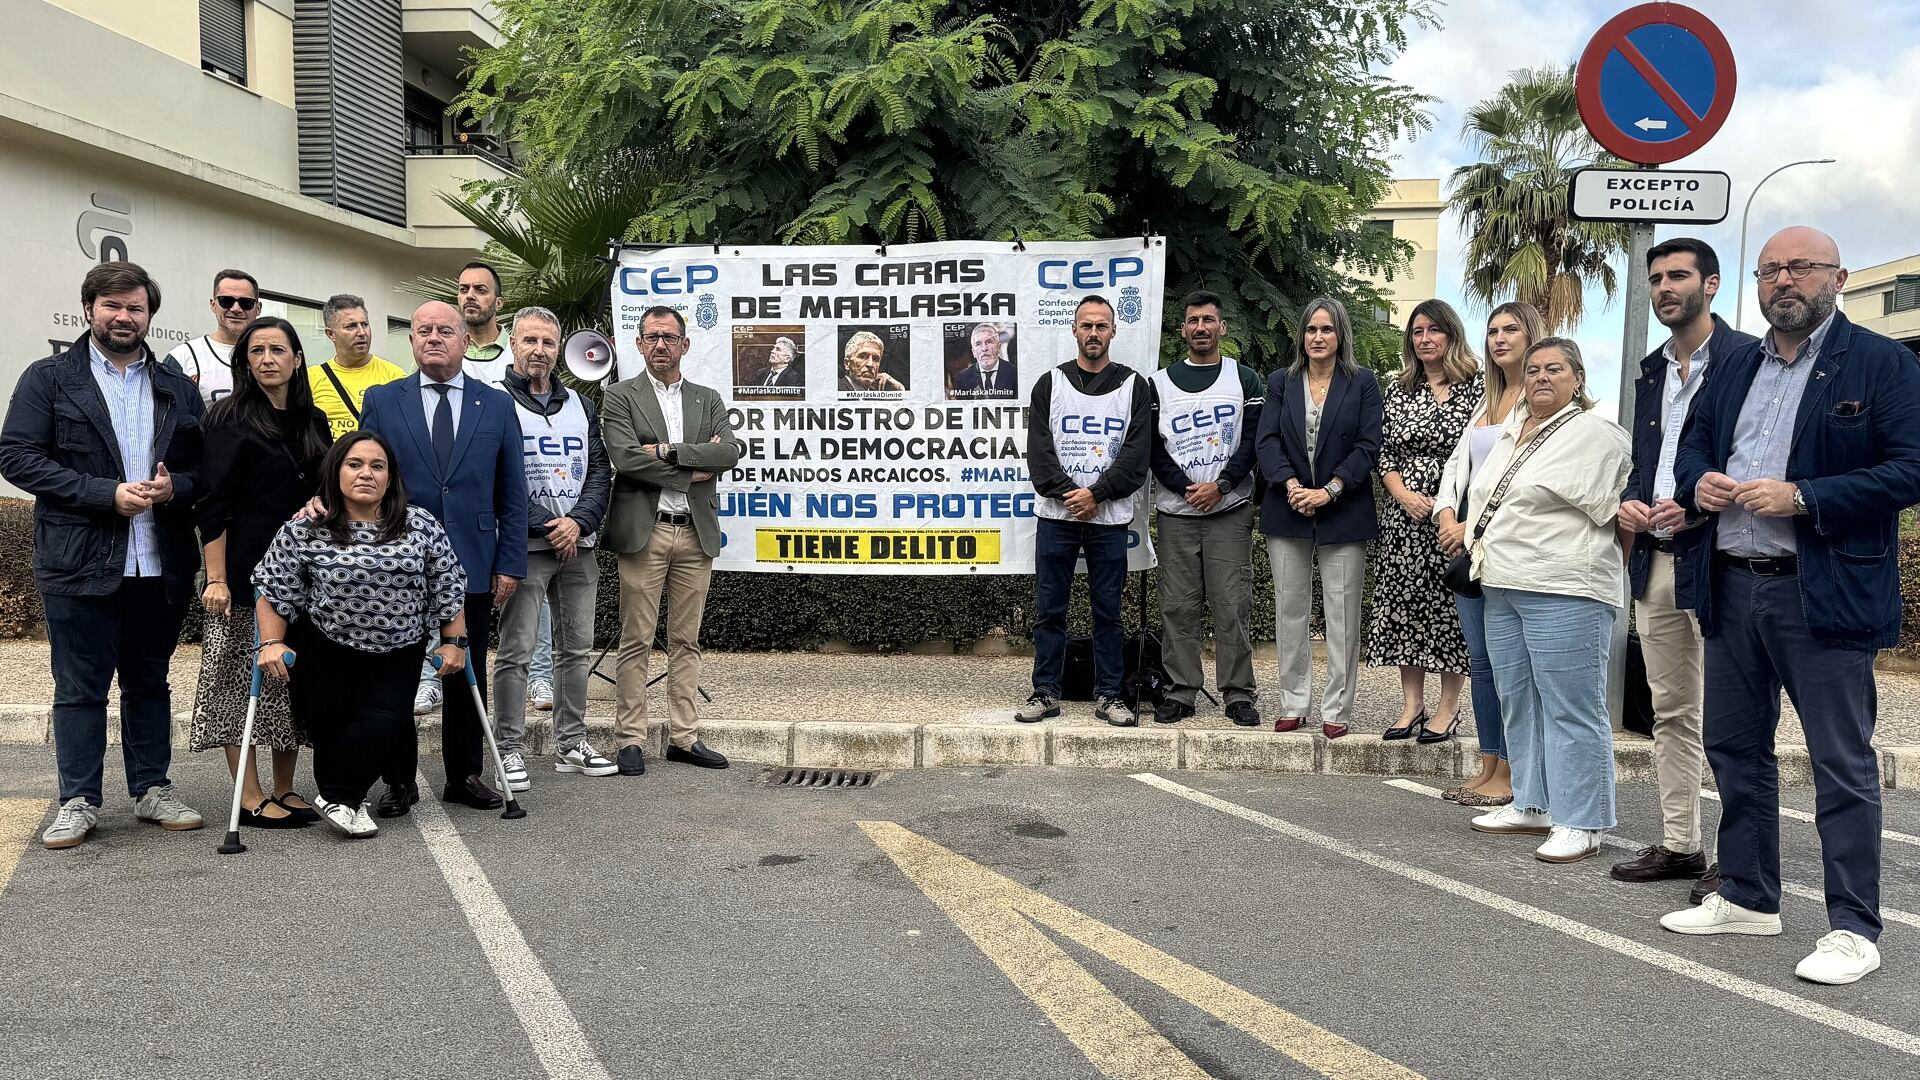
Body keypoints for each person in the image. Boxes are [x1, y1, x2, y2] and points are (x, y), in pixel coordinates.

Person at [1660, 227, 1920, 986]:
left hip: (1824, 589)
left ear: (1837, 277)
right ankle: (1746, 894)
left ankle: (1853, 928)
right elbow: (1694, 449)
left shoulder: (1883, 362)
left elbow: (1908, 470)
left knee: (1840, 762)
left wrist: (1804, 497)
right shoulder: (1736, 361)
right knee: (1735, 749)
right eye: (1771, 269)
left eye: (1800, 267)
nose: (1784, 280)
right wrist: (1700, 482)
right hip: (1732, 580)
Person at [0, 262, 206, 849]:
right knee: (80, 686)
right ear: (89, 309)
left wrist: (176, 489)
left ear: (149, 316)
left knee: (149, 680)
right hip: (78, 560)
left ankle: (152, 789)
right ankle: (78, 801)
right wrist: (102, 494)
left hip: (158, 561)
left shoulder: (174, 387)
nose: (124, 317)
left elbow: (201, 470)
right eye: (112, 306)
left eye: (135, 308)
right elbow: (16, 456)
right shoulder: (49, 379)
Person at [1611, 238, 1755, 898]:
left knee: (1733, 715)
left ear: (1712, 284)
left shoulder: (1749, 361)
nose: (1666, 287)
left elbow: (1761, 458)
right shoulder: (1650, 370)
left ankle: (1741, 856)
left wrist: (1699, 508)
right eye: (1657, 278)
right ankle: (1679, 844)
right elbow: (1648, 458)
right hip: (1657, 560)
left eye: (1678, 276)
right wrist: (1628, 505)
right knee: (1670, 712)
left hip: (1723, 556)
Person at [252, 432, 470, 838]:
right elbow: (274, 587)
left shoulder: (419, 524)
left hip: (400, 647)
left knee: (385, 719)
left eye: (377, 466)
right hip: (325, 645)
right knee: (331, 731)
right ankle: (345, 800)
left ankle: (341, 796)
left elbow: (448, 585)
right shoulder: (307, 527)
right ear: (336, 472)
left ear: (391, 477)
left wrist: (454, 642)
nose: (366, 474)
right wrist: (271, 642)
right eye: (354, 464)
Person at [357, 300, 527, 815]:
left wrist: (509, 562)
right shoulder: (383, 400)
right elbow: (366, 482)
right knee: (397, 677)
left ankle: (465, 775)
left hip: (473, 558)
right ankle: (398, 780)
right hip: (397, 561)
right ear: (411, 341)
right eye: (424, 330)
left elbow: (512, 492)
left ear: (465, 340)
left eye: (446, 330)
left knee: (465, 670)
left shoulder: (495, 405)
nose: (434, 337)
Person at [1465, 339, 1631, 865]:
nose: (1540, 376)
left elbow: (1609, 510)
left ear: (1577, 378)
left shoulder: (1596, 432)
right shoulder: (1513, 430)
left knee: (1571, 705)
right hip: (1503, 580)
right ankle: (1532, 801)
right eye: (1533, 368)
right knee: (1518, 696)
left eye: (1554, 369)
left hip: (1563, 584)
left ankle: (1583, 820)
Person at [188, 317, 333, 829]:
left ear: (297, 357)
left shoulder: (314, 421)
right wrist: (217, 578)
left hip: (305, 575)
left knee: (288, 680)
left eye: (278, 349)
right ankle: (249, 797)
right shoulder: (229, 418)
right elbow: (214, 504)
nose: (267, 358)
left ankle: (286, 788)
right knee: (235, 682)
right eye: (256, 351)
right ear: (244, 362)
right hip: (245, 573)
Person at [601, 306, 743, 774]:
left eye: (669, 337)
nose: (660, 344)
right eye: (651, 336)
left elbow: (730, 453)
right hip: (647, 531)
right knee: (636, 639)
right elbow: (625, 459)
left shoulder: (707, 398)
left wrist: (666, 451)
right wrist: (690, 474)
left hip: (695, 534)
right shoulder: (620, 396)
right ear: (639, 344)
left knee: (687, 640)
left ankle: (684, 737)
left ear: (685, 344)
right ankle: (630, 739)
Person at [492, 307, 617, 790]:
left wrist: (579, 521)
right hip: (524, 546)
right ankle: (509, 748)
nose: (538, 351)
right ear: (513, 342)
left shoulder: (582, 406)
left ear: (558, 347)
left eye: (547, 342)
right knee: (517, 651)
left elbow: (600, 471)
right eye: (530, 341)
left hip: (578, 547)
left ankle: (571, 743)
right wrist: (549, 524)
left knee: (575, 650)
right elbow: (498, 480)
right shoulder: (495, 402)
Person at [1018, 296, 1150, 727]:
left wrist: (1097, 494)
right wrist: (1072, 494)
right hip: (1056, 516)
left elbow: (1136, 457)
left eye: (1102, 326)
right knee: (1049, 609)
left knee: (1108, 611)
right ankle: (1045, 692)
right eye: (1086, 326)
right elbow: (1039, 454)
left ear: (1114, 332)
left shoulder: (1135, 386)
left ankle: (1110, 693)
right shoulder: (1049, 384)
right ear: (1074, 330)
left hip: (1109, 519)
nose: (1094, 333)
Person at [1434, 301, 1545, 806]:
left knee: (1511, 665)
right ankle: (1490, 763)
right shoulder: (1484, 403)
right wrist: (1447, 519)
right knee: (1481, 662)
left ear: (1532, 337)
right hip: (1469, 550)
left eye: (1512, 330)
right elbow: (1455, 473)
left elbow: (1525, 484)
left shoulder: (1543, 400)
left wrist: (1473, 530)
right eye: (1493, 331)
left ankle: (1516, 772)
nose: (1500, 339)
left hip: (1509, 550)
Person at [1254, 297, 1382, 738]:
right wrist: (1292, 486)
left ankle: (1337, 710)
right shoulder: (1280, 382)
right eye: (1311, 329)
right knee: (1290, 611)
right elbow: (1266, 441)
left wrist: (1329, 491)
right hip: (1287, 508)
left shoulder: (1362, 382)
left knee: (1342, 613)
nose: (1318, 337)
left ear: (1340, 334)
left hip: (1343, 510)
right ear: (1301, 336)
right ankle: (1294, 702)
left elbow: (1368, 446)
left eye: (1327, 329)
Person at [1148, 292, 1263, 726]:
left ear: (1222, 328)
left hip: (1229, 509)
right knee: (1178, 605)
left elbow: (1253, 440)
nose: (1201, 327)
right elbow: (1153, 449)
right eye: (1193, 320)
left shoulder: (1244, 379)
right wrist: (1186, 487)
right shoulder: (1158, 383)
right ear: (1182, 329)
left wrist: (1222, 485)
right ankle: (1180, 691)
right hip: (1177, 512)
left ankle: (1238, 694)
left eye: (1209, 320)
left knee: (1232, 604)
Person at [1367, 299, 1479, 741]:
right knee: (1404, 607)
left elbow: (1479, 452)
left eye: (1434, 330)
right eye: (1417, 331)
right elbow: (1385, 452)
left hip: (1453, 516)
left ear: (1451, 334)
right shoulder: (1399, 388)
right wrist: (1402, 495)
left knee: (1450, 611)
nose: (1425, 338)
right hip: (1404, 516)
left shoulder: (1477, 387)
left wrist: (1443, 504)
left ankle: (1448, 709)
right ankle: (1412, 704)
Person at [308, 293, 407, 441]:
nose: (362, 332)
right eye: (351, 326)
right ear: (330, 334)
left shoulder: (394, 376)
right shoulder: (311, 377)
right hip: (327, 462)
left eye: (365, 324)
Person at [164, 269, 259, 406]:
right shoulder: (183, 357)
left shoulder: (273, 356)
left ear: (258, 308)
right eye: (226, 301)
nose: (236, 308)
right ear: (213, 305)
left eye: (246, 302)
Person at [458, 261, 510, 386]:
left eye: (480, 290)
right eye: (463, 289)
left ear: (499, 303)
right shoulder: (442, 348)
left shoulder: (517, 351)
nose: (469, 295)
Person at [952, 322, 1017, 397]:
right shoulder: (963, 378)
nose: (984, 348)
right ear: (974, 353)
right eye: (978, 344)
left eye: (989, 342)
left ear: (998, 347)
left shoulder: (1014, 374)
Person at [839, 331, 906, 392]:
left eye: (875, 359)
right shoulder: (835, 389)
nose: (870, 364)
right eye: (862, 357)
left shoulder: (880, 392)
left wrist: (899, 389)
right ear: (847, 364)